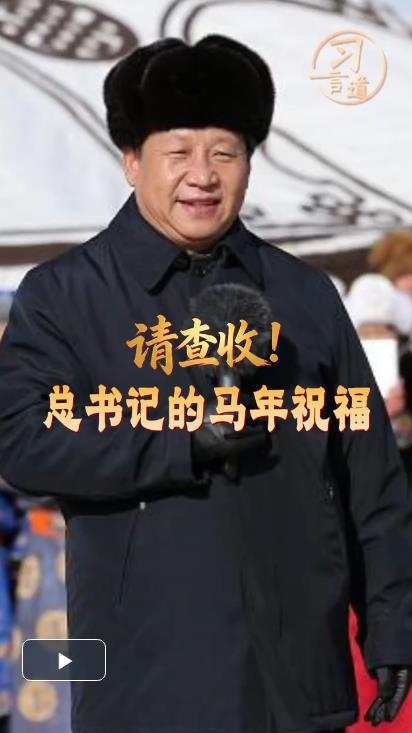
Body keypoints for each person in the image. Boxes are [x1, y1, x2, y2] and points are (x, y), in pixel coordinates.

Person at [0, 34, 412, 733]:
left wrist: (393, 624)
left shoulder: (305, 296)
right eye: (179, 152)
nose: (203, 175)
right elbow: (23, 443)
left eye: (225, 153)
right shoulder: (65, 296)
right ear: (132, 160)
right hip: (151, 681)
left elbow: (372, 479)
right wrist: (179, 443)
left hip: (298, 678)